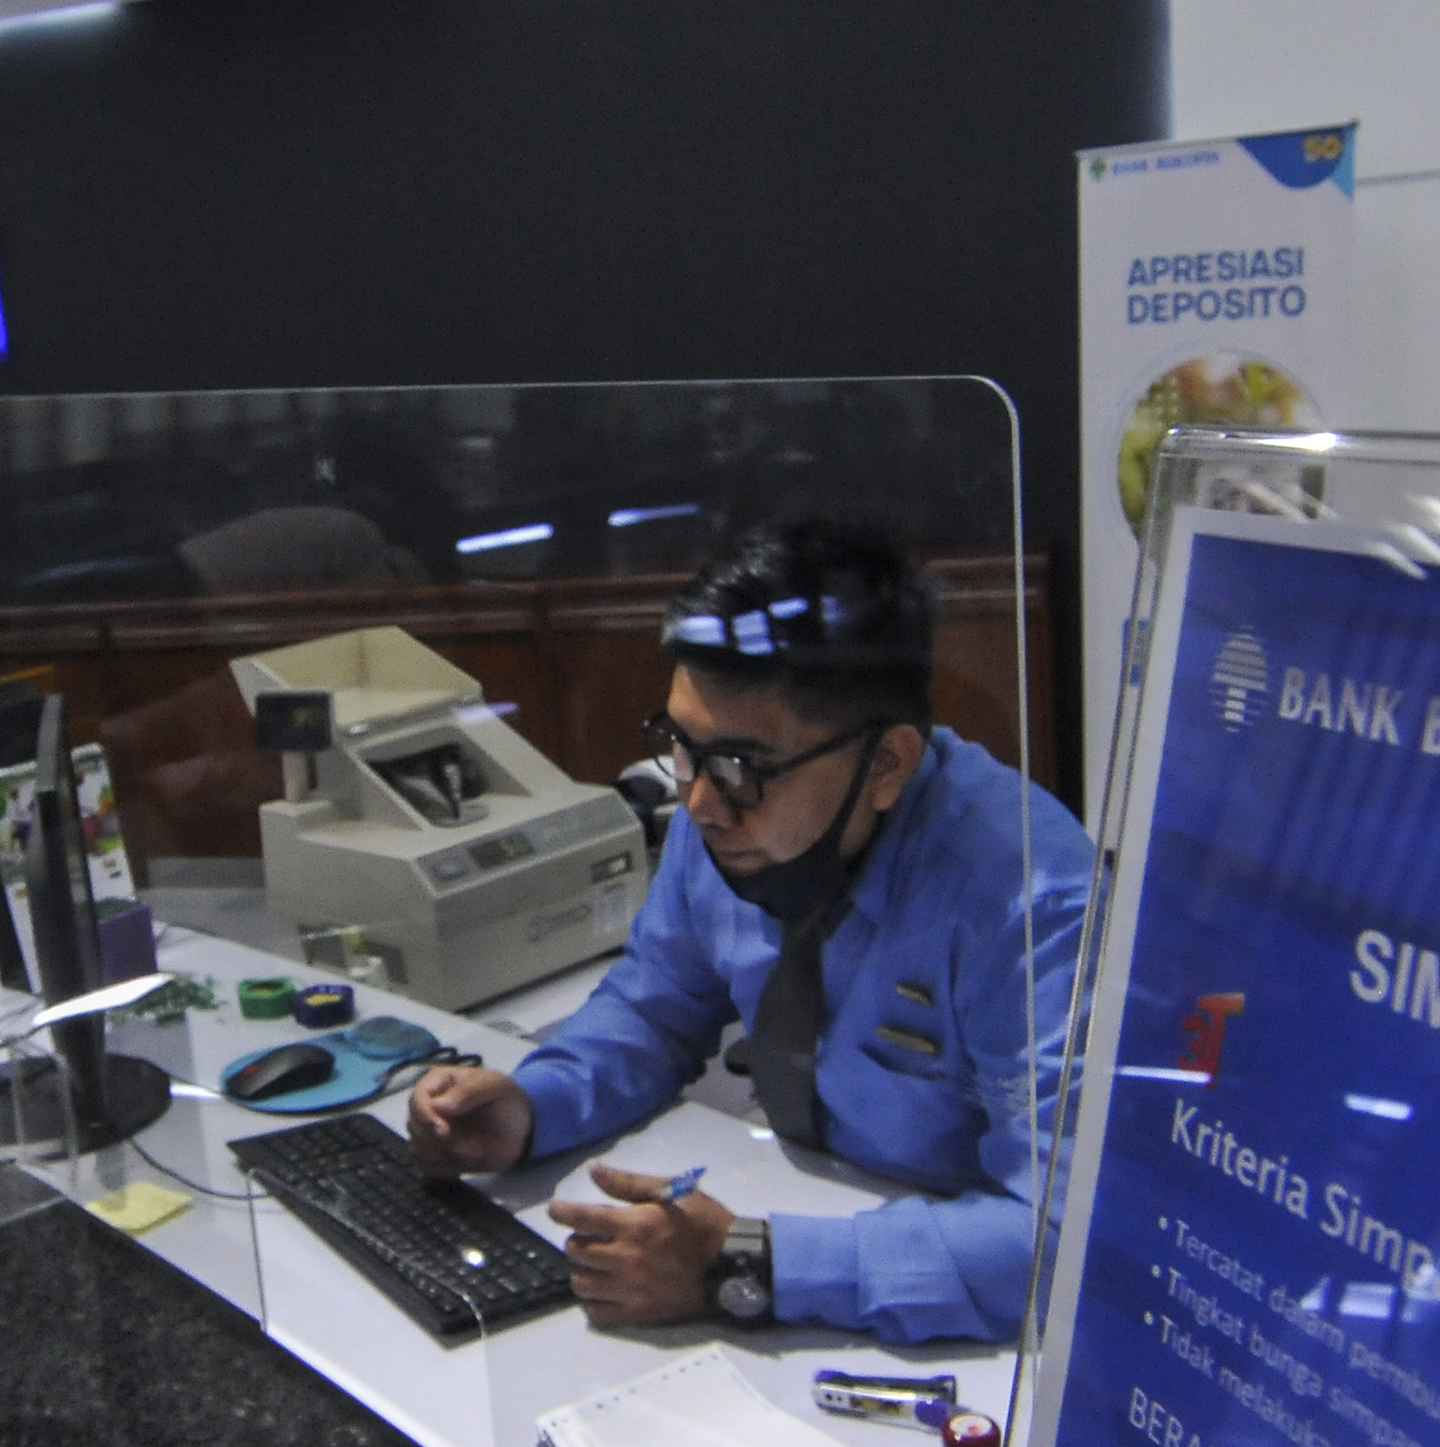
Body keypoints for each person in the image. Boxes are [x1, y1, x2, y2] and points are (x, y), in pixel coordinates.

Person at [405, 524, 1091, 1347]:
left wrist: (750, 1265)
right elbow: (654, 1007)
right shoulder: (725, 813)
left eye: (740, 767)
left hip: (952, 1318)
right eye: (680, 750)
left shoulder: (1034, 906)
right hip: (810, 1212)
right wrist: (531, 1104)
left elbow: (1065, 1236)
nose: (698, 804)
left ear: (886, 766)